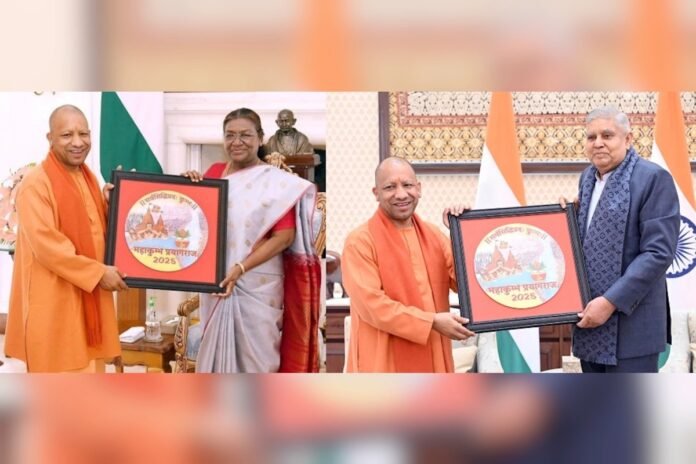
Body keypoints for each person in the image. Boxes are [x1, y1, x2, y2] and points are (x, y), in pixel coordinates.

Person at [184, 108, 320, 373]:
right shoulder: (213, 173)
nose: (237, 142)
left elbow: (284, 237)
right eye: (230, 135)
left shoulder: (277, 183)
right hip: (217, 283)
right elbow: (189, 221)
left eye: (245, 135)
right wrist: (186, 186)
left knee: (259, 363)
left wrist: (241, 268)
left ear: (260, 138)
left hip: (257, 283)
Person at [4, 105, 128, 373]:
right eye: (67, 135)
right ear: (50, 138)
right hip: (55, 302)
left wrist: (110, 207)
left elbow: (93, 231)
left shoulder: (86, 177)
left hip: (88, 299)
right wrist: (98, 273)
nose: (78, 142)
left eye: (84, 133)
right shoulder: (36, 184)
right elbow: (48, 247)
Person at [562, 106, 679, 373]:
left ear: (628, 139)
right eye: (591, 137)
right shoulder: (587, 178)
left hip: (633, 327)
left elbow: (658, 252)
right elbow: (586, 240)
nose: (598, 143)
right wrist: (566, 216)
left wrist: (610, 302)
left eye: (607, 135)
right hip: (589, 323)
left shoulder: (652, 178)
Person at [341, 157, 474, 373]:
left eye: (407, 185)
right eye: (390, 187)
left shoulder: (434, 236)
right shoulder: (360, 241)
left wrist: (462, 232)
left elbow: (466, 284)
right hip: (384, 364)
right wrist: (431, 322)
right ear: (376, 193)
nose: (401, 194)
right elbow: (371, 305)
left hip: (434, 355)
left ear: (418, 189)